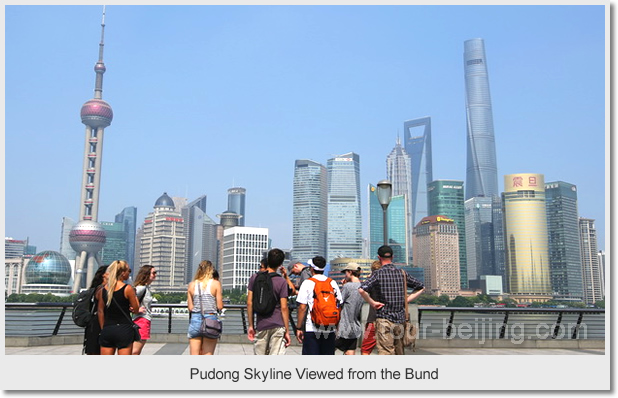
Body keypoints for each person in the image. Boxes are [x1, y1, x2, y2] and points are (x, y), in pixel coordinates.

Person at [358, 245, 425, 355]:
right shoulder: (402, 273)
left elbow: (361, 290)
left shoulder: (377, 274)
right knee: (399, 351)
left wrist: (373, 303)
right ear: (392, 257)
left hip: (384, 319)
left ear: (379, 257)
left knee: (385, 351)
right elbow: (421, 287)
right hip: (400, 320)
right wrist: (407, 300)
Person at [246, 248, 291, 355]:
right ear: (280, 264)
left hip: (261, 324)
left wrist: (251, 325)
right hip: (278, 325)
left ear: (268, 260)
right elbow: (284, 308)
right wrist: (287, 331)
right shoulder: (281, 281)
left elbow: (249, 303)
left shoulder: (255, 278)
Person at [296, 256, 343, 355]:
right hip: (330, 328)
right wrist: (336, 327)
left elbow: (302, 308)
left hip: (312, 328)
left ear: (311, 268)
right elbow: (339, 306)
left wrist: (299, 327)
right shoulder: (332, 283)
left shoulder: (307, 283)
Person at [96, 260, 140, 355]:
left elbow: (100, 311)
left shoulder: (102, 290)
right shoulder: (127, 289)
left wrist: (103, 328)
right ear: (123, 273)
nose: (129, 273)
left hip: (108, 329)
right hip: (124, 329)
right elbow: (136, 309)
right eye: (129, 271)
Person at [187, 260, 224, 355]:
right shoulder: (215, 284)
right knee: (208, 355)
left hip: (195, 319)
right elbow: (220, 306)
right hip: (210, 319)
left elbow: (190, 307)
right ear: (211, 270)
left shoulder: (191, 285)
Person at [335, 263, 364, 355]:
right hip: (355, 325)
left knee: (328, 348)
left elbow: (339, 301)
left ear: (350, 272)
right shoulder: (363, 286)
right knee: (350, 350)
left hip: (344, 325)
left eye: (346, 273)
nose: (345, 275)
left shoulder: (348, 286)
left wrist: (342, 287)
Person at [131, 265, 157, 355]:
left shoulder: (146, 287)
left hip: (143, 320)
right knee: (136, 350)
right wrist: (136, 309)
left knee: (136, 350)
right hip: (141, 320)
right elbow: (128, 299)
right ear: (146, 274)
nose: (155, 275)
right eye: (153, 273)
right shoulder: (141, 288)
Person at [83, 265, 108, 355]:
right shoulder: (102, 290)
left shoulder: (96, 288)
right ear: (104, 275)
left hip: (93, 325)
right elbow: (101, 310)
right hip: (98, 324)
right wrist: (103, 329)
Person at [360, 260, 383, 355]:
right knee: (387, 348)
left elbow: (362, 290)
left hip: (373, 319)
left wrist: (369, 278)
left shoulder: (371, 282)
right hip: (391, 320)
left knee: (366, 348)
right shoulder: (390, 281)